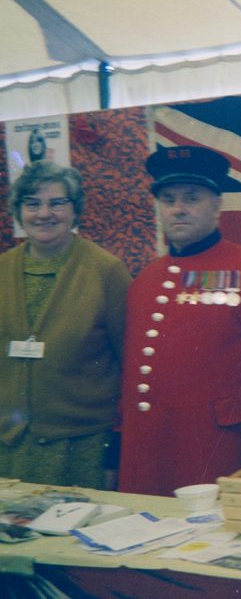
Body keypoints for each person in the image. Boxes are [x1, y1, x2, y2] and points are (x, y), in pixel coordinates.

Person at [119, 146, 241, 496]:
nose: (178, 209)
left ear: (216, 205)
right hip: (148, 451)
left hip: (213, 448)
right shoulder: (146, 279)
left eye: (192, 198)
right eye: (168, 199)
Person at [0, 161, 130, 489]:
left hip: (82, 448)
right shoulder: (2, 270)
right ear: (18, 211)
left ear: (75, 211)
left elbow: (130, 363)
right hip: (11, 446)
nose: (44, 213)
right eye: (32, 203)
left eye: (57, 203)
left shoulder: (106, 271)